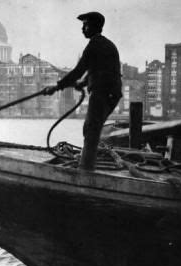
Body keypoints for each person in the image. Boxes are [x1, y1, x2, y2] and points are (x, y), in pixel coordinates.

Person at [44, 11, 122, 171]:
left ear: (94, 26)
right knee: (92, 129)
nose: (82, 29)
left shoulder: (94, 45)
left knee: (91, 130)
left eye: (85, 25)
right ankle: (87, 165)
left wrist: (56, 87)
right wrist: (84, 82)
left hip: (102, 93)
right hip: (110, 93)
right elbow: (100, 69)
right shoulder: (105, 44)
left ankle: (85, 170)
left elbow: (79, 70)